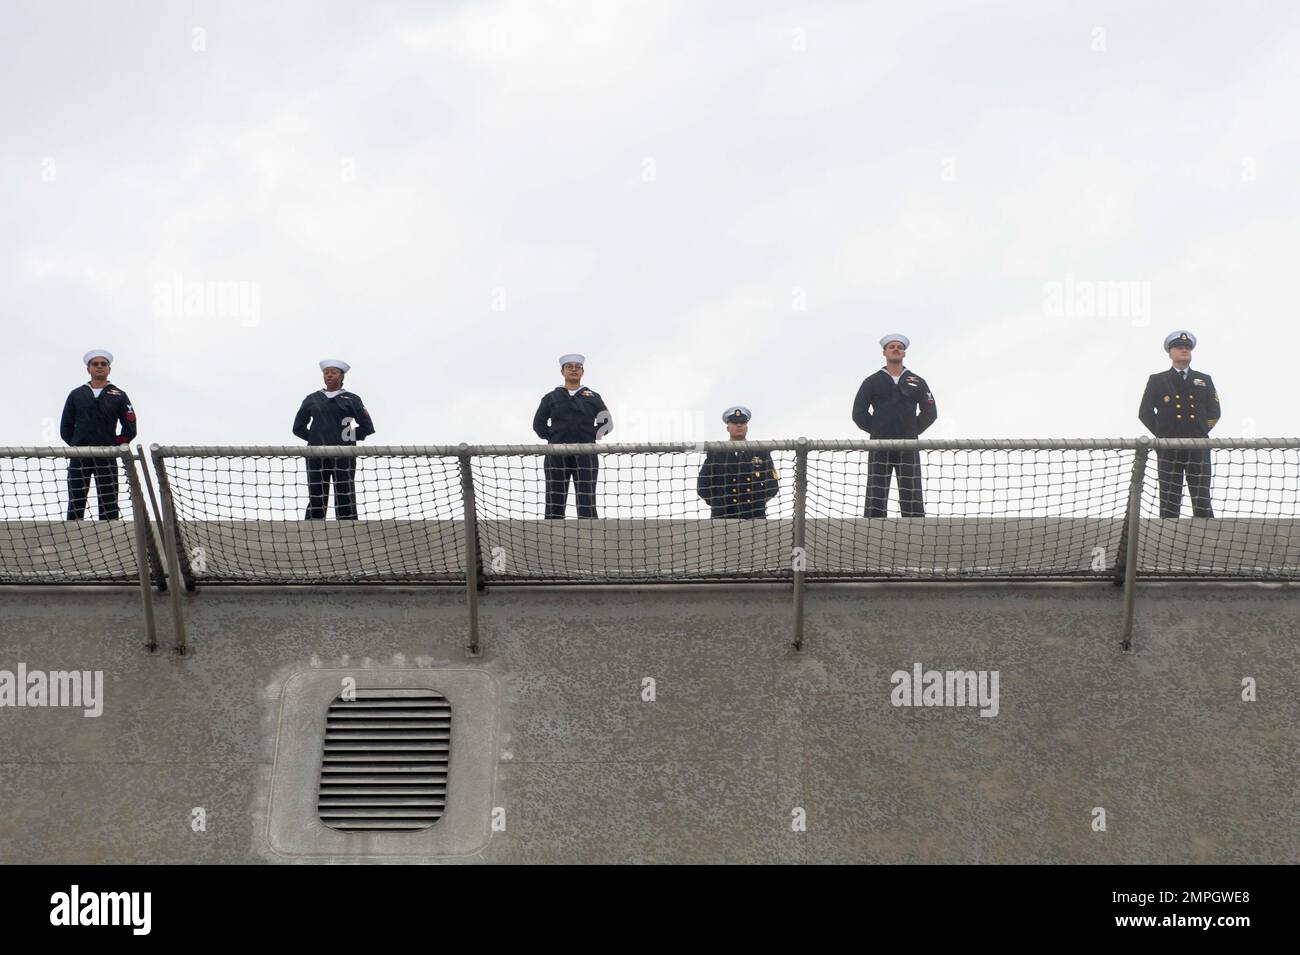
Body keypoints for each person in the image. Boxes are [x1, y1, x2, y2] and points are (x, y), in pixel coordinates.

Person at [851, 334, 938, 517]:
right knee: (876, 492)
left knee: (912, 493)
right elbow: (858, 413)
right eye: (892, 347)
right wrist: (878, 430)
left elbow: (930, 412)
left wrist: (911, 430)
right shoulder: (872, 381)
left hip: (908, 447)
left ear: (904, 353)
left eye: (899, 347)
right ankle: (872, 533)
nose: (896, 349)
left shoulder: (917, 381)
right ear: (884, 352)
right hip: (879, 446)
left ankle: (914, 533)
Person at [1138, 330, 1220, 518]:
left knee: (1202, 497)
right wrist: (1164, 435)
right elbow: (1144, 412)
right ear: (1170, 353)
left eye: (1187, 348)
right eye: (1179, 348)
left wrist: (1199, 432)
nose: (1185, 350)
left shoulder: (1204, 379)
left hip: (1198, 446)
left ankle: (1205, 540)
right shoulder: (1157, 380)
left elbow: (1215, 411)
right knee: (1169, 498)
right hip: (1169, 448)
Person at [292, 359, 375, 519]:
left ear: (342, 376)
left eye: (334, 372)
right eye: (326, 372)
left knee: (345, 492)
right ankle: (314, 525)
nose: (329, 375)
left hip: (344, 453)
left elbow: (367, 427)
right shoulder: (312, 399)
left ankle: (348, 527)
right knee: (316, 492)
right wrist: (316, 438)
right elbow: (298, 428)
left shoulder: (352, 399)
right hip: (316, 454)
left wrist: (347, 437)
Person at [60, 349, 137, 520]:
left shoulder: (119, 395)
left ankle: (110, 537)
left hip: (106, 456)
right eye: (95, 364)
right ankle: (72, 534)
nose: (100, 367)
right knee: (76, 498)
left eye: (104, 364)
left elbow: (130, 427)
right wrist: (78, 444)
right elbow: (65, 427)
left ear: (109, 369)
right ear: (88, 369)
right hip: (80, 455)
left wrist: (113, 445)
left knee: (108, 500)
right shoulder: (76, 395)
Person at [532, 354, 612, 518]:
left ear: (582, 372)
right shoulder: (551, 397)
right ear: (562, 372)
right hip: (556, 455)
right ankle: (553, 536)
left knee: (586, 498)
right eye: (569, 367)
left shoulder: (593, 397)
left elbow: (607, 423)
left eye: (577, 367)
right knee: (555, 497)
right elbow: (538, 424)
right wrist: (554, 438)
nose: (574, 370)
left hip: (586, 454)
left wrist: (590, 436)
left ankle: (589, 535)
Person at [696, 406, 780, 518]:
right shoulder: (716, 453)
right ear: (728, 428)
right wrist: (719, 504)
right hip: (723, 517)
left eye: (742, 422)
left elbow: (772, 486)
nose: (739, 425)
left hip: (754, 516)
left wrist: (758, 502)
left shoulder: (761, 452)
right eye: (735, 423)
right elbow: (703, 486)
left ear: (747, 426)